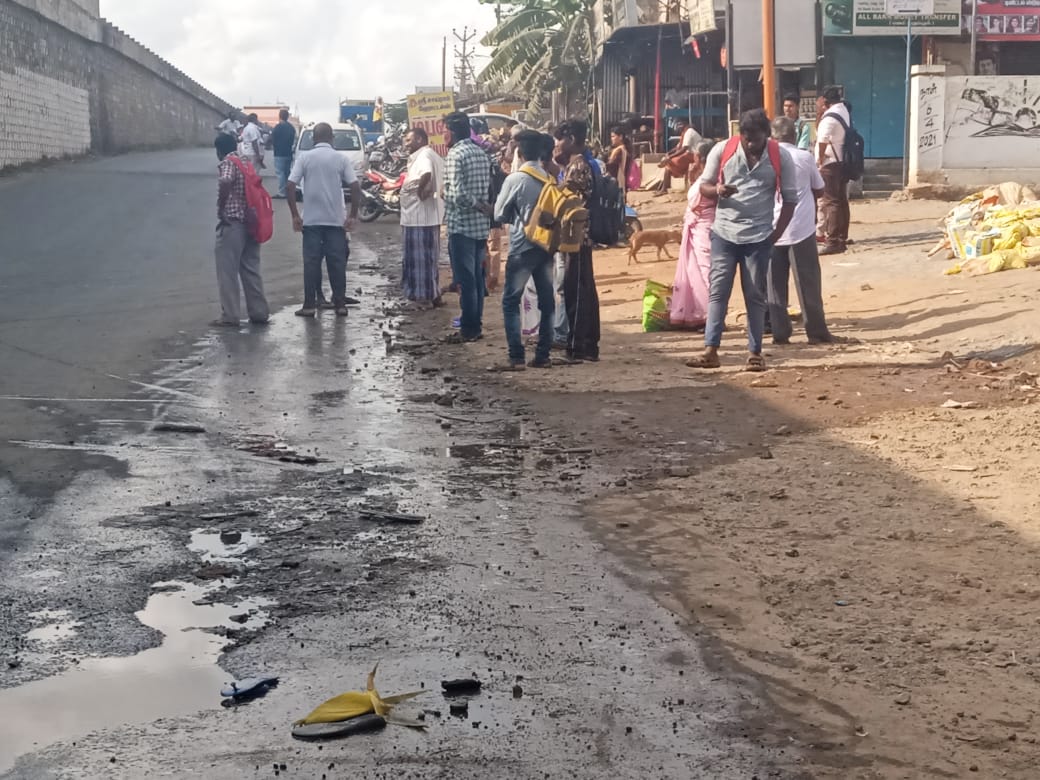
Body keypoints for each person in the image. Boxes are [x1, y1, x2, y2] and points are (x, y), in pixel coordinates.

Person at [686, 108, 798, 372]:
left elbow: (790, 199)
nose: (750, 144)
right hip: (724, 234)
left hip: (758, 239)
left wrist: (775, 235)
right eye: (746, 138)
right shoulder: (723, 150)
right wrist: (718, 190)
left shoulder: (780, 156)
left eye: (755, 139)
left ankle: (755, 353)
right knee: (718, 293)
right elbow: (704, 186)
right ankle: (710, 350)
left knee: (755, 296)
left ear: (766, 135)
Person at [767, 117, 846, 346]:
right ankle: (816, 332)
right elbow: (819, 189)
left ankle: (780, 332)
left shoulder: (766, 160)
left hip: (771, 228)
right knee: (808, 282)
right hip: (800, 227)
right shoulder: (804, 157)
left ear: (773, 137)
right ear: (794, 136)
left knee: (774, 285)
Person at [493, 129, 556, 371]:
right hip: (546, 246)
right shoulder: (549, 178)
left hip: (522, 246)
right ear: (541, 153)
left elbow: (499, 214)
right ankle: (543, 355)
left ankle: (516, 357)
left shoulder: (515, 179)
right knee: (547, 302)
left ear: (519, 153)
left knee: (511, 301)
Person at [286, 122, 361, 317]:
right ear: (332, 138)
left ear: (313, 138)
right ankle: (340, 305)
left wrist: (295, 215)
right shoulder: (341, 159)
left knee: (311, 263)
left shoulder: (304, 158)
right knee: (337, 264)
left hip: (311, 222)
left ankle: (309, 305)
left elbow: (290, 185)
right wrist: (352, 215)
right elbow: (355, 186)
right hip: (335, 222)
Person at [443, 111, 493, 343]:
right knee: (477, 278)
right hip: (480, 227)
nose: (443, 136)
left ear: (452, 132)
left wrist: (475, 204)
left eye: (444, 131)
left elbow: (458, 194)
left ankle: (469, 329)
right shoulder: (480, 152)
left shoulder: (455, 155)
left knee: (467, 280)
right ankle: (475, 324)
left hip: (462, 225)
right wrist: (483, 206)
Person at [211, 133, 269, 327]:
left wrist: (221, 207)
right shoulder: (246, 162)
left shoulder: (228, 162)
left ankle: (230, 315)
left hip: (233, 223)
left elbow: (225, 181)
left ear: (219, 151)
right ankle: (259, 312)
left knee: (227, 270)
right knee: (251, 269)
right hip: (252, 222)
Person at [555, 119, 601, 362]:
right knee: (584, 289)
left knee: (577, 291)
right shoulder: (583, 163)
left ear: (571, 139)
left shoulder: (578, 167)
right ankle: (589, 345)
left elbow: (565, 200)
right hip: (581, 235)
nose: (557, 144)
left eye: (560, 139)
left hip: (577, 236)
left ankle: (577, 346)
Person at [669, 140, 716, 329]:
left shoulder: (712, 178)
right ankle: (699, 312)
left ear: (698, 157)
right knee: (694, 270)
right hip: (698, 227)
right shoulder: (705, 176)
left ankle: (712, 316)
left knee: (706, 271)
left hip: (704, 227)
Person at [400, 126, 445, 306]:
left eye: (408, 140)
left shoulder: (424, 155)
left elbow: (426, 173)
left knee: (420, 261)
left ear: (419, 139)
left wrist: (420, 191)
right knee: (428, 260)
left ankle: (423, 298)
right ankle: (432, 295)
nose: (406, 144)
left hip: (420, 218)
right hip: (422, 218)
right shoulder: (427, 154)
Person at [816, 86, 851, 255]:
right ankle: (841, 238)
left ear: (824, 100)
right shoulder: (843, 111)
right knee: (841, 200)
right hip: (841, 161)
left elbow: (822, 140)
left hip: (830, 163)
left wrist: (819, 160)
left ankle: (833, 241)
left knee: (831, 201)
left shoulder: (829, 117)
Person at [656, 119, 703, 193]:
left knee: (671, 162)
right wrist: (668, 153)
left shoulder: (689, 132)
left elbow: (684, 149)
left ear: (685, 124)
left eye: (680, 124)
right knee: (669, 163)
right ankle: (664, 188)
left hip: (695, 156)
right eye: (678, 125)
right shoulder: (684, 133)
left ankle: (664, 188)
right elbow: (677, 147)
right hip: (690, 155)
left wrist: (670, 157)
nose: (678, 126)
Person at [270, 109, 296, 199]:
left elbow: (272, 139)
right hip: (288, 153)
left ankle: (282, 192)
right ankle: (288, 191)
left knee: (280, 173)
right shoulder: (291, 127)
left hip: (279, 153)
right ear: (287, 116)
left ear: (279, 116)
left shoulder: (278, 127)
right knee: (287, 173)